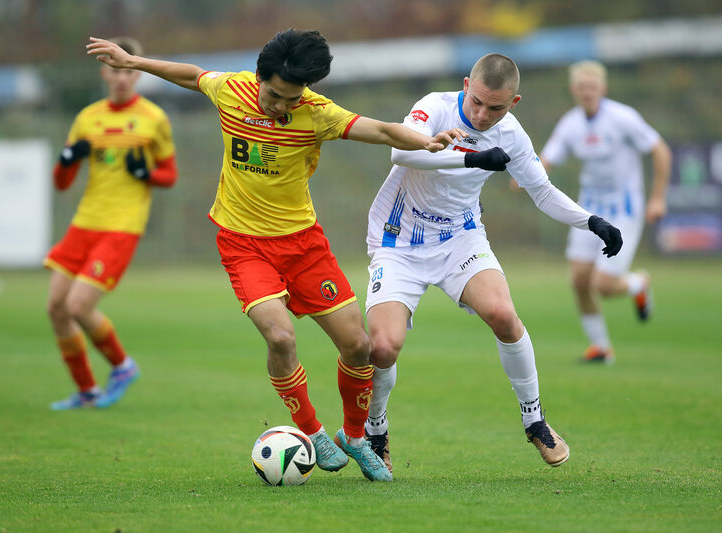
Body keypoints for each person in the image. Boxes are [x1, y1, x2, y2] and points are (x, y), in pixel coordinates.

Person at [85, 29, 502, 482]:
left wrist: (425, 141)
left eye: (291, 97)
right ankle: (313, 432)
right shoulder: (233, 90)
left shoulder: (316, 113)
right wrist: (135, 62)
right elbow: (191, 75)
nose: (281, 105)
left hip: (303, 245)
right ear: (260, 77)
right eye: (275, 94)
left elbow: (380, 130)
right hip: (243, 244)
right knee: (281, 338)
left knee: (359, 346)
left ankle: (355, 438)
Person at [362, 53, 623, 473]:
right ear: (466, 85)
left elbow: (543, 191)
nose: (483, 115)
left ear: (513, 103)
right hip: (399, 241)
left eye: (496, 108)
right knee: (383, 346)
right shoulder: (435, 105)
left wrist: (591, 221)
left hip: (460, 237)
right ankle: (375, 429)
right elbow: (400, 154)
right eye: (478, 102)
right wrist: (469, 158)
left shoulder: (513, 136)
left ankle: (535, 420)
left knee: (504, 314)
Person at [45, 37, 178, 410]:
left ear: (136, 73)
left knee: (77, 306)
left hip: (122, 226)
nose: (121, 78)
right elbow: (61, 183)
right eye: (114, 70)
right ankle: (86, 390)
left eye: (127, 70)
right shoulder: (88, 118)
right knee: (55, 307)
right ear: (104, 72)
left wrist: (146, 173)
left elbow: (170, 175)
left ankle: (122, 366)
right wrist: (68, 158)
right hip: (84, 222)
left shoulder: (153, 119)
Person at [538, 60, 671, 364]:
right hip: (589, 211)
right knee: (579, 281)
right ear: (573, 90)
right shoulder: (571, 123)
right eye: (582, 87)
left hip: (624, 210)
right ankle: (601, 347)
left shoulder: (623, 118)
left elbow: (660, 150)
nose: (587, 93)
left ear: (603, 89)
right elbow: (549, 157)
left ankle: (639, 284)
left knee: (605, 285)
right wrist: (525, 176)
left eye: (592, 87)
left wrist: (658, 198)